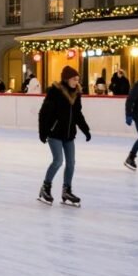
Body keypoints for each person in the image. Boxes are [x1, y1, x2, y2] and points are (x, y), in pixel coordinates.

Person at [37, 66, 91, 207]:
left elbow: (78, 114)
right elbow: (44, 112)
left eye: (78, 79)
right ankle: (45, 188)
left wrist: (85, 129)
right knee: (58, 161)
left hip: (69, 134)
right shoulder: (55, 91)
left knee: (71, 163)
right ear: (66, 79)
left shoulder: (76, 93)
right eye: (74, 79)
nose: (76, 82)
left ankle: (66, 190)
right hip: (55, 133)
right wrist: (43, 131)